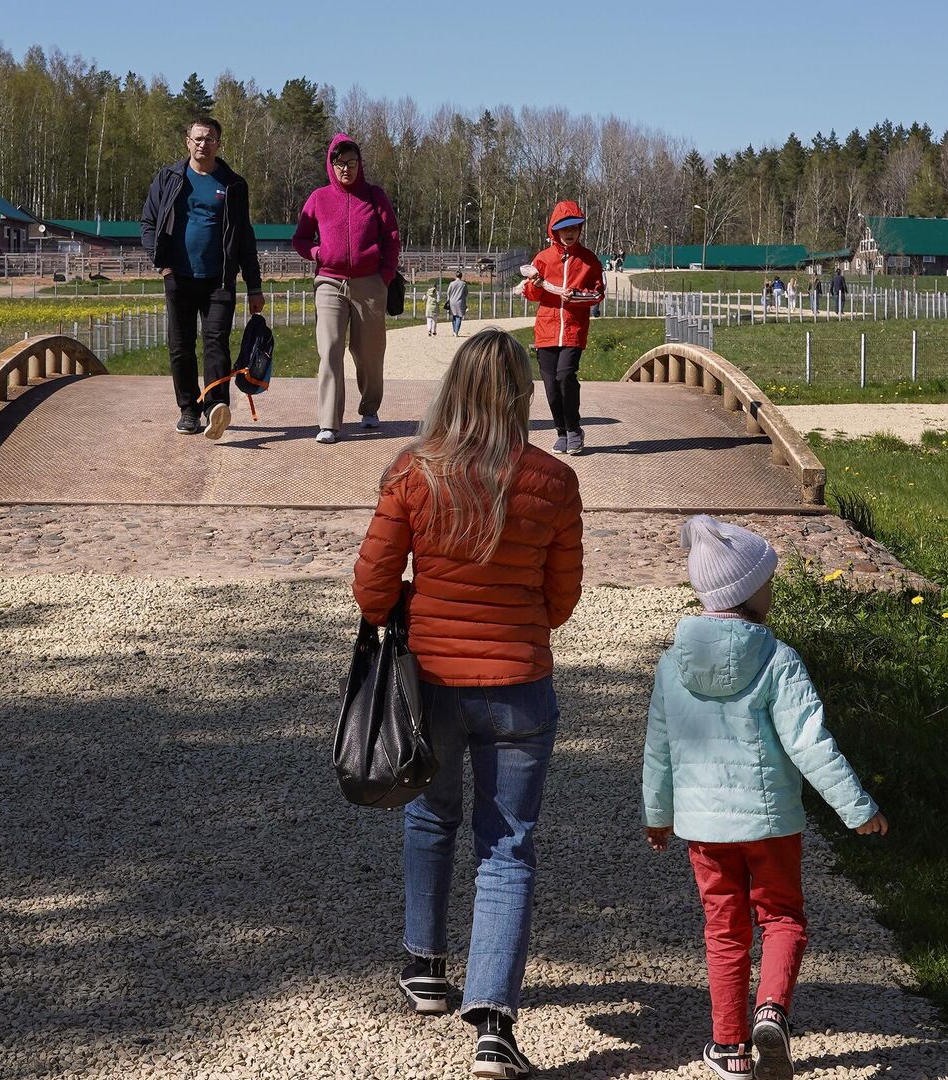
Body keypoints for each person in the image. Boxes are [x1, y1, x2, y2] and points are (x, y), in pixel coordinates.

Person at [354, 329, 584, 1080]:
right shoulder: (553, 481)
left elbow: (372, 592)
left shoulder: (413, 474)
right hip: (520, 685)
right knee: (507, 844)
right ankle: (492, 1025)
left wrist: (426, 602)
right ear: (522, 394)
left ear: (453, 388)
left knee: (430, 814)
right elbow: (559, 605)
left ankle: (424, 965)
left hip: (433, 684)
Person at [643, 516, 889, 1080]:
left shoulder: (672, 664)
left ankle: (729, 1048)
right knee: (781, 917)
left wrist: (658, 815)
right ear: (749, 593)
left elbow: (659, 749)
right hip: (773, 825)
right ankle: (772, 1010)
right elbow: (811, 744)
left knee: (724, 929)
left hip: (705, 830)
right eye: (767, 583)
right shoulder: (779, 661)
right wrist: (858, 808)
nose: (771, 591)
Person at [139, 116, 265, 440]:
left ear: (218, 144)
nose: (202, 144)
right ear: (187, 142)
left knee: (216, 345)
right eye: (197, 138)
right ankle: (188, 410)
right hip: (178, 277)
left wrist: (254, 286)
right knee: (180, 347)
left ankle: (215, 407)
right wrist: (162, 264)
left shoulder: (233, 184)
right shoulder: (169, 178)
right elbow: (148, 223)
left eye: (209, 138)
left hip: (219, 281)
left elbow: (245, 239)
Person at [293, 133, 401, 444]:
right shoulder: (319, 198)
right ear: (331, 165)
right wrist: (317, 253)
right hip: (329, 281)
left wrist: (385, 275)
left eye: (351, 163)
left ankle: (369, 407)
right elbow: (300, 239)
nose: (346, 169)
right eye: (339, 163)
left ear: (360, 164)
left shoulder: (375, 196)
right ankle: (329, 422)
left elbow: (391, 238)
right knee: (330, 349)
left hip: (370, 283)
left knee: (369, 352)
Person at [517, 200, 605, 455]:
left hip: (573, 331)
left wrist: (575, 295)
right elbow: (532, 295)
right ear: (554, 231)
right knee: (551, 387)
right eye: (564, 229)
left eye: (574, 228)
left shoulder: (588, 260)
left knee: (565, 377)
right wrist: (534, 283)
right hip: (546, 330)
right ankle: (561, 432)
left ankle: (575, 429)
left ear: (580, 229)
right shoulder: (543, 259)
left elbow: (598, 294)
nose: (569, 233)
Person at [446, 270, 468, 336]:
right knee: (459, 317)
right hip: (460, 301)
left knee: (453, 316)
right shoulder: (464, 284)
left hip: (452, 301)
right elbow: (466, 293)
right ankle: (456, 331)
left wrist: (449, 299)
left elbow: (448, 292)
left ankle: (454, 331)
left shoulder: (451, 283)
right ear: (461, 276)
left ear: (456, 276)